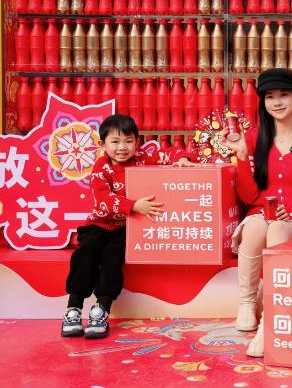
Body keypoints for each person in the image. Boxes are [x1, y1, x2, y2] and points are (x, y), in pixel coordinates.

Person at [219, 68, 292, 358]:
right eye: (269, 97)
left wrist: (287, 210)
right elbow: (249, 196)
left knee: (276, 227)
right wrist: (242, 156)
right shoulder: (254, 138)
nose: (276, 102)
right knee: (256, 226)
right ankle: (247, 303)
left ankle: (271, 320)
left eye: (283, 95)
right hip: (260, 217)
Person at [62, 114, 195, 339]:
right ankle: (73, 307)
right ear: (103, 144)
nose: (122, 147)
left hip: (126, 229)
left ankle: (101, 309)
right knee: (86, 254)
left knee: (112, 258)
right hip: (99, 225)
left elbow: (168, 153)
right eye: (115, 142)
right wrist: (133, 205)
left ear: (137, 142)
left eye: (128, 141)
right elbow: (103, 199)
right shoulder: (101, 168)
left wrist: (182, 157)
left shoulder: (142, 158)